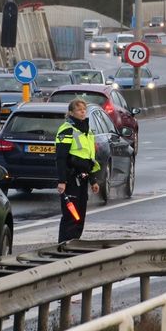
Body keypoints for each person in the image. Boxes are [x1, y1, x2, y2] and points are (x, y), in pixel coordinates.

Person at [55, 99, 101, 243]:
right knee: (71, 215)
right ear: (71, 112)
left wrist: (93, 180)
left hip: (83, 178)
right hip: (71, 179)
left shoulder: (87, 130)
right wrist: (62, 181)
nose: (82, 112)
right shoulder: (67, 129)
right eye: (79, 110)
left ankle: (74, 242)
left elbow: (89, 158)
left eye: (84, 109)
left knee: (80, 215)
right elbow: (61, 158)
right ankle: (64, 245)